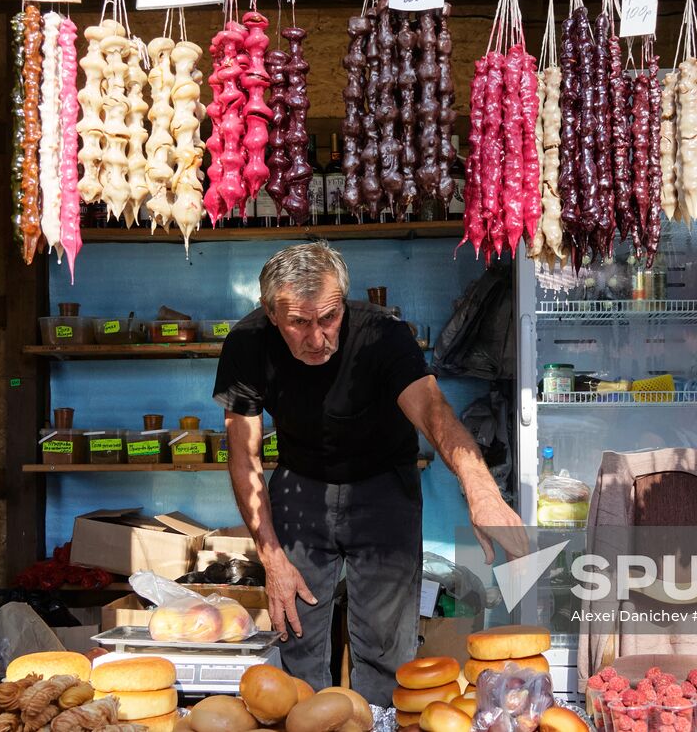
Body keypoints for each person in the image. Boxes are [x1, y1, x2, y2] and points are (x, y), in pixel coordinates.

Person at [213, 242, 526, 706]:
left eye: (328, 318)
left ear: (344, 300)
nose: (317, 339)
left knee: (385, 646)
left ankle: (379, 718)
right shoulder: (246, 343)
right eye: (298, 323)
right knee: (294, 632)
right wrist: (272, 557)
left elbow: (433, 411)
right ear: (270, 313)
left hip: (384, 489)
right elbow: (243, 455)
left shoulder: (382, 336)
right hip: (301, 485)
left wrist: (480, 490)